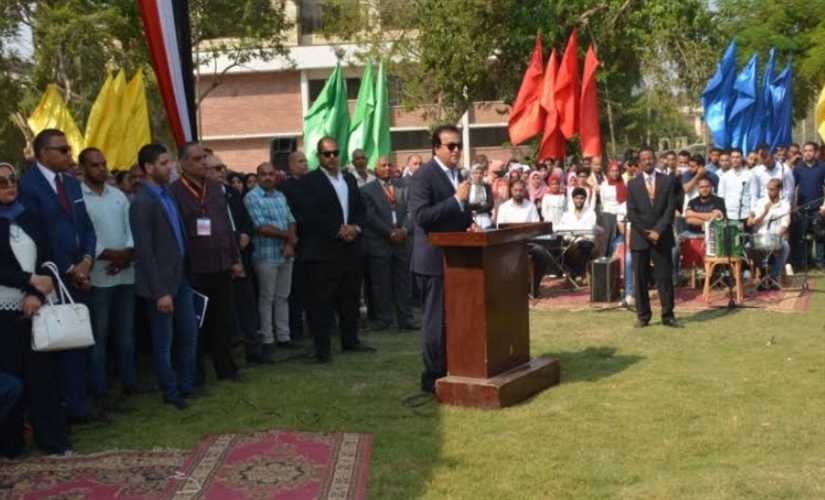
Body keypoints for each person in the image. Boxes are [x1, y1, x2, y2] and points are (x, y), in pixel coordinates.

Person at [18, 129, 97, 425]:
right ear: (43, 153)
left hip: (79, 275)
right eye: (62, 150)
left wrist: (86, 261)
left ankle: (80, 405)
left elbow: (86, 227)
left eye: (68, 149)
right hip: (50, 278)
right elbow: (39, 236)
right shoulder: (27, 186)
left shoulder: (72, 184)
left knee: (78, 341)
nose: (69, 154)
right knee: (56, 343)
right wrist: (68, 269)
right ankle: (63, 408)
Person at [0, 161, 71, 456]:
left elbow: (47, 258)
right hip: (3, 312)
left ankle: (52, 441)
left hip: (36, 307)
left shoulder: (28, 216)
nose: (9, 185)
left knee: (43, 377)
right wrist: (29, 281)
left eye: (12, 179)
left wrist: (35, 293)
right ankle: (11, 444)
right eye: (2, 182)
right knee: (11, 378)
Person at [292, 137, 374, 363]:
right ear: (319, 156)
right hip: (323, 250)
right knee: (321, 300)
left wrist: (355, 228)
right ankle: (322, 348)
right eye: (326, 154)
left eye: (335, 153)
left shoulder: (348, 179)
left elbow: (360, 209)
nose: (332, 157)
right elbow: (308, 214)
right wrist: (336, 230)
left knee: (350, 296)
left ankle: (351, 340)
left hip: (351, 247)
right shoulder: (309, 181)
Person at [131, 144, 198, 409]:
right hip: (161, 285)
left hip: (181, 277)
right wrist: (160, 292)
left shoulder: (167, 194)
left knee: (189, 334)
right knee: (163, 342)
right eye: (164, 163)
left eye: (170, 162)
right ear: (148, 168)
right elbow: (145, 251)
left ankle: (186, 386)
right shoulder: (142, 202)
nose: (170, 167)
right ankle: (171, 392)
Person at [409, 125, 474, 393]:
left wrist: (468, 223)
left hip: (456, 258)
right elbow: (421, 216)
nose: (456, 150)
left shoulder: (458, 174)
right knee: (435, 321)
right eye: (451, 146)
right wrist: (456, 200)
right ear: (436, 148)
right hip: (433, 260)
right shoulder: (423, 176)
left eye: (459, 145)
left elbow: (457, 214)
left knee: (456, 317)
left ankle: (455, 366)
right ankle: (433, 376)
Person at [170, 142, 241, 384]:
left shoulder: (214, 188)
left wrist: (234, 258)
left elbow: (226, 225)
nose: (202, 163)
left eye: (204, 158)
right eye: (196, 159)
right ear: (182, 163)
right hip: (195, 266)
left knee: (223, 320)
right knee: (196, 323)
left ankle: (226, 369)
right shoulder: (175, 191)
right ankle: (196, 374)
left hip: (221, 263)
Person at [79, 148, 138, 413]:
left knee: (126, 334)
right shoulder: (79, 197)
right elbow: (84, 235)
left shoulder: (118, 195)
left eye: (103, 164)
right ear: (83, 168)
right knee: (99, 338)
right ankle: (100, 391)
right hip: (99, 276)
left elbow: (130, 229)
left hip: (125, 273)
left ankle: (130, 383)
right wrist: (111, 256)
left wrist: (126, 255)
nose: (102, 169)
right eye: (95, 165)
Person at [206, 156, 264, 363]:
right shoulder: (204, 197)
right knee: (225, 310)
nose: (222, 171)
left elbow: (246, 219)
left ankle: (254, 350)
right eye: (216, 168)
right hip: (221, 260)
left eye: (222, 167)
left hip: (242, 255)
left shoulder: (231, 193)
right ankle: (230, 352)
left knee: (247, 304)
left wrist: (246, 234)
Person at [244, 162, 298, 358]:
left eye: (270, 174)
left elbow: (291, 220)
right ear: (258, 177)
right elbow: (261, 227)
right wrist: (288, 237)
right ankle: (267, 339)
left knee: (283, 296)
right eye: (263, 174)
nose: (267, 177)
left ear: (275, 176)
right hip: (265, 255)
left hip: (285, 253)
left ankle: (284, 337)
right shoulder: (252, 197)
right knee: (267, 298)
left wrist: (290, 243)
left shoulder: (280, 196)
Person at [360, 156, 418, 331]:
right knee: (381, 283)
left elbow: (412, 211)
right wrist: (389, 232)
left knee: (403, 282)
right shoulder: (367, 190)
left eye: (389, 165)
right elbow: (370, 216)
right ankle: (384, 319)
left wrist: (404, 230)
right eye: (383, 165)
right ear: (375, 168)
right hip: (380, 243)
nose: (387, 168)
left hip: (402, 242)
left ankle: (406, 319)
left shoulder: (404, 186)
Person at [626, 146, 679, 328]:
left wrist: (658, 230)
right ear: (639, 163)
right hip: (640, 237)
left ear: (655, 160)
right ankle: (643, 316)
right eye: (644, 159)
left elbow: (670, 208)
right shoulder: (633, 184)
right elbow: (631, 213)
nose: (647, 161)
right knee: (640, 279)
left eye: (650, 158)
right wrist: (647, 233)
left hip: (662, 236)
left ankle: (668, 315)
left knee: (664, 277)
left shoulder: (667, 181)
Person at [281, 151, 309, 341]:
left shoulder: (313, 184)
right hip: (296, 241)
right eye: (300, 161)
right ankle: (296, 329)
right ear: (290, 165)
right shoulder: (285, 187)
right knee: (296, 290)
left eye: (305, 161)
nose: (304, 164)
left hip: (314, 243)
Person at [748, 179, 791, 290]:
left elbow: (785, 224)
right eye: (768, 189)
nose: (769, 192)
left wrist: (776, 237)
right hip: (761, 236)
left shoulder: (785, 204)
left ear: (779, 189)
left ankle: (772, 276)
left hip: (776, 236)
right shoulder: (761, 202)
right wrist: (765, 212)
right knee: (748, 247)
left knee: (786, 247)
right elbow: (753, 222)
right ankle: (763, 272)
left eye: (772, 189)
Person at [790, 142, 825, 269]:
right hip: (802, 209)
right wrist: (793, 206)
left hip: (818, 209)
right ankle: (804, 262)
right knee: (802, 237)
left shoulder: (822, 167)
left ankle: (820, 263)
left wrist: (824, 206)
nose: (808, 153)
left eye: (810, 150)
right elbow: (792, 188)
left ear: (815, 152)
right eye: (805, 150)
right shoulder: (798, 168)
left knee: (820, 237)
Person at [557, 187, 599, 279]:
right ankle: (576, 275)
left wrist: (576, 233)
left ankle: (578, 275)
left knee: (585, 246)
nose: (579, 200)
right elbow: (562, 230)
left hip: (586, 243)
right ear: (573, 199)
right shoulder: (567, 214)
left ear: (585, 199)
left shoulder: (591, 213)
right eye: (577, 198)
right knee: (564, 249)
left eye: (581, 198)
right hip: (570, 243)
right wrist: (574, 235)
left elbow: (590, 232)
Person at [750, 144, 795, 210]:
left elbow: (789, 192)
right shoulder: (756, 171)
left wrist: (783, 208)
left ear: (771, 154)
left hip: (780, 208)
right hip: (763, 208)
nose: (764, 158)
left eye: (765, 155)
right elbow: (754, 194)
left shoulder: (785, 169)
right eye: (761, 156)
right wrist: (753, 211)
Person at [717, 148, 752, 223]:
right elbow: (721, 196)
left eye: (737, 157)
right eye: (733, 157)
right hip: (729, 215)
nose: (735, 160)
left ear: (742, 158)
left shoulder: (750, 175)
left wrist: (752, 214)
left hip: (746, 214)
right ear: (730, 159)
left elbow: (753, 195)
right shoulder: (725, 176)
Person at [467, 164, 494, 228]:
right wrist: (480, 204)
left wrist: (477, 211)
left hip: (485, 217)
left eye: (480, 173)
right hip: (471, 217)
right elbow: (466, 204)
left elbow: (490, 204)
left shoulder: (486, 186)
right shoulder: (468, 186)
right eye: (476, 173)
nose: (478, 175)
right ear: (472, 174)